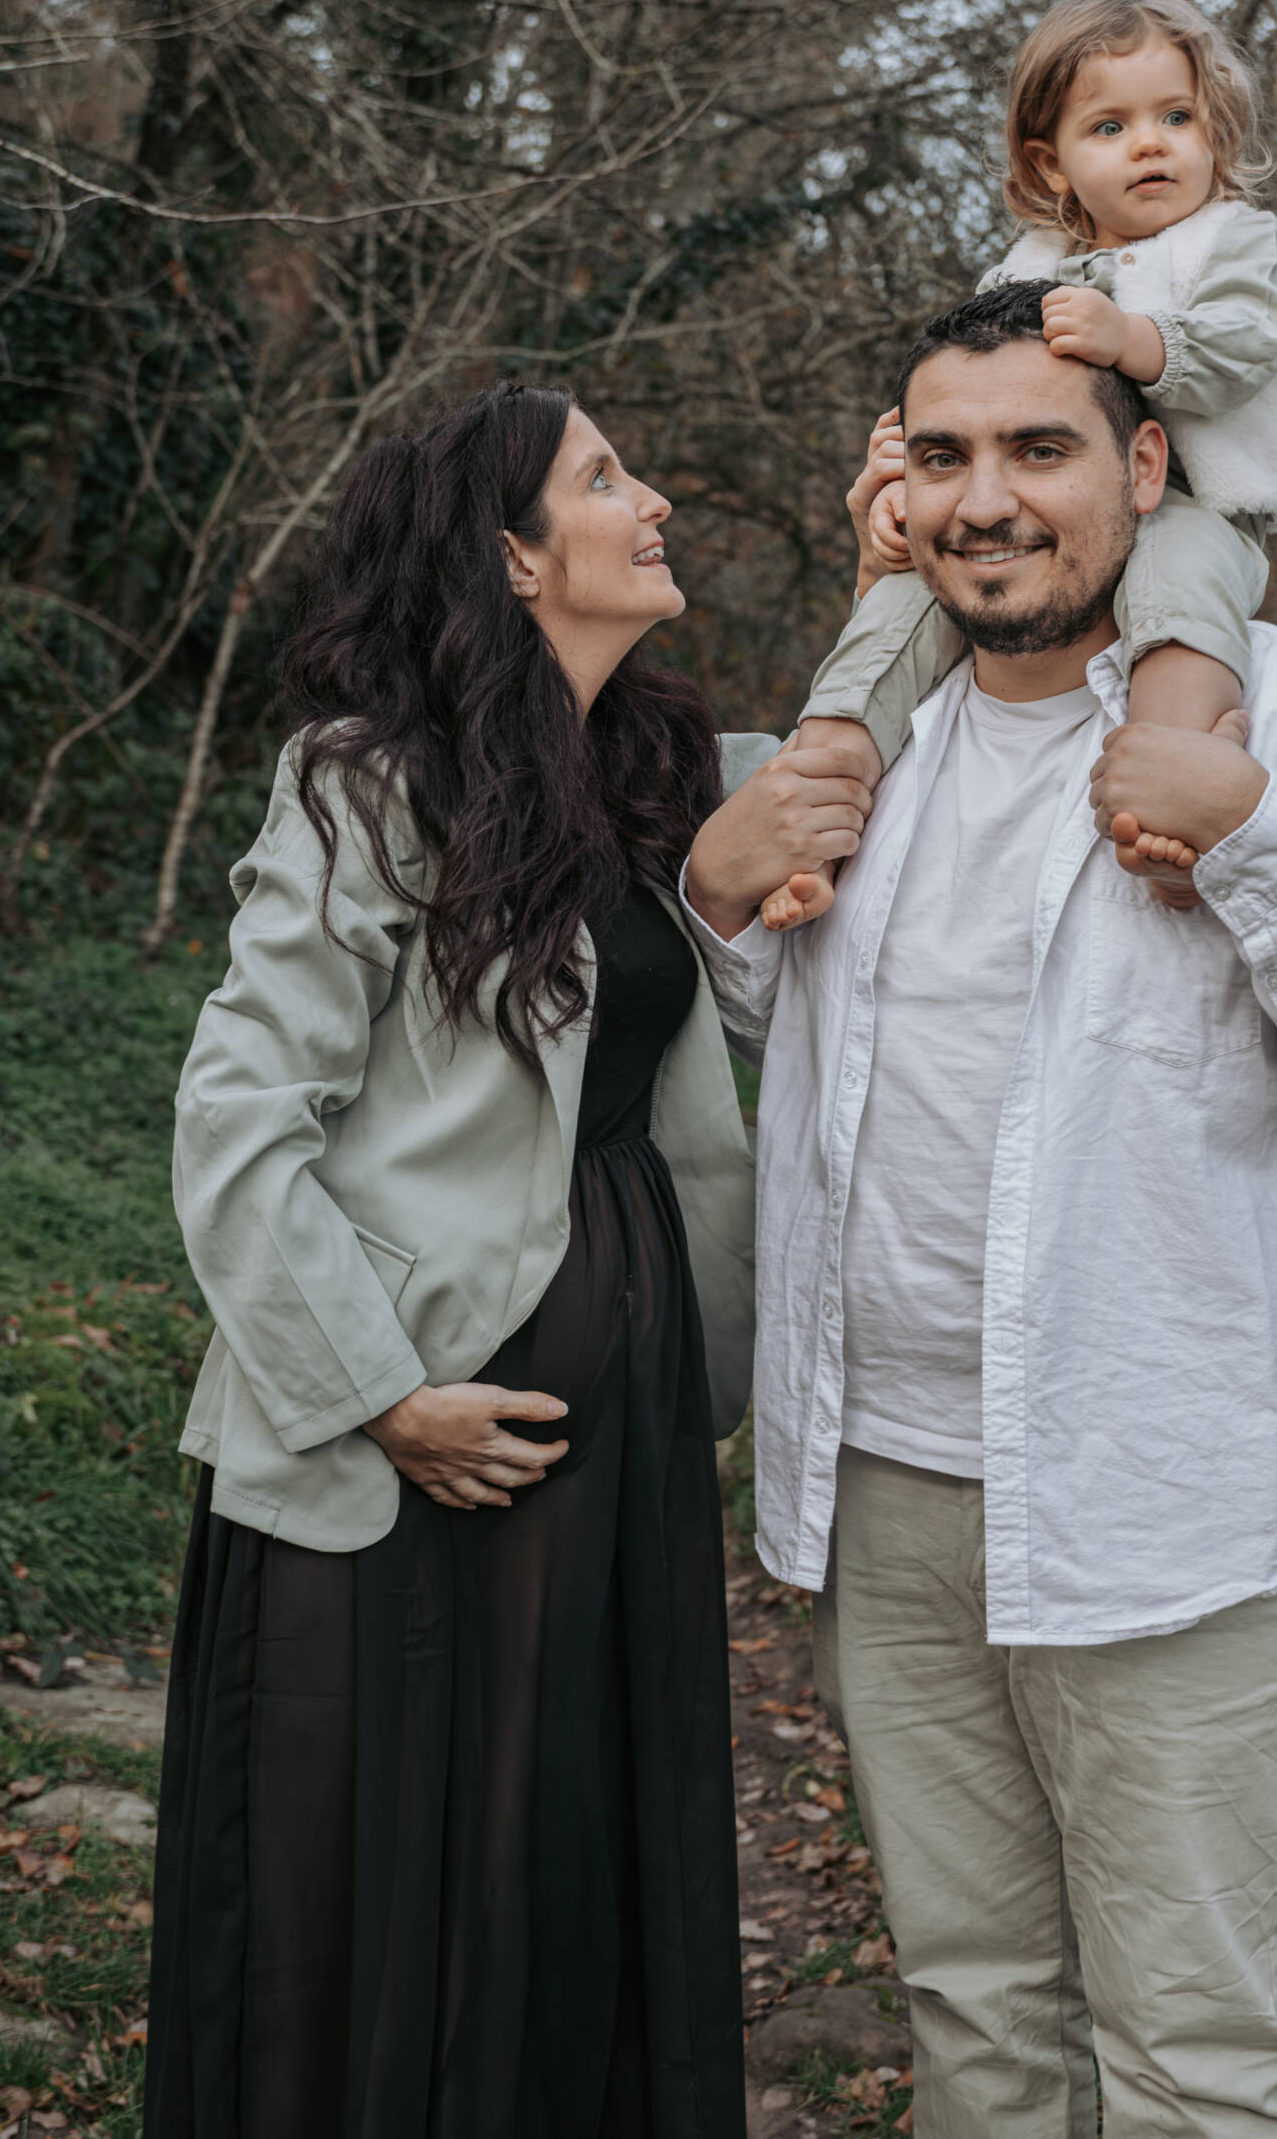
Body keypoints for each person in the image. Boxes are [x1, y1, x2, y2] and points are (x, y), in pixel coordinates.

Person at [681, 287, 1277, 2137]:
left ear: (1142, 466)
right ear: (896, 486)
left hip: (1160, 1499)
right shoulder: (856, 744)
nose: (989, 499)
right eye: (945, 454)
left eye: (1039, 450)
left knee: (1192, 2050)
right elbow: (772, 1048)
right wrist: (710, 903)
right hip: (884, 1495)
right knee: (976, 2020)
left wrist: (1249, 836)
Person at [143, 384, 873, 2139]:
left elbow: (873, 749)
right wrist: (382, 1396)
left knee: (563, 1854)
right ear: (511, 554)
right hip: (402, 1448)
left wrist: (890, 569)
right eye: (606, 478)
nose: (654, 498)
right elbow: (239, 1127)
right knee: (386, 1873)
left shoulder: (657, 779)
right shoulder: (365, 786)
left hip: (609, 1454)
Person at [759, 0, 1277, 928]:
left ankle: (1175, 804)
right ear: (1049, 166)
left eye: (1176, 116)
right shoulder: (1023, 266)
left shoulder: (1232, 239)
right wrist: (903, 473)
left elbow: (1252, 344)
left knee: (1176, 608)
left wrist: (1134, 339)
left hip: (1197, 505)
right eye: (1110, 127)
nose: (1149, 142)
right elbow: (966, 391)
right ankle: (824, 785)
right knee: (904, 601)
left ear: (1213, 131)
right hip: (1037, 510)